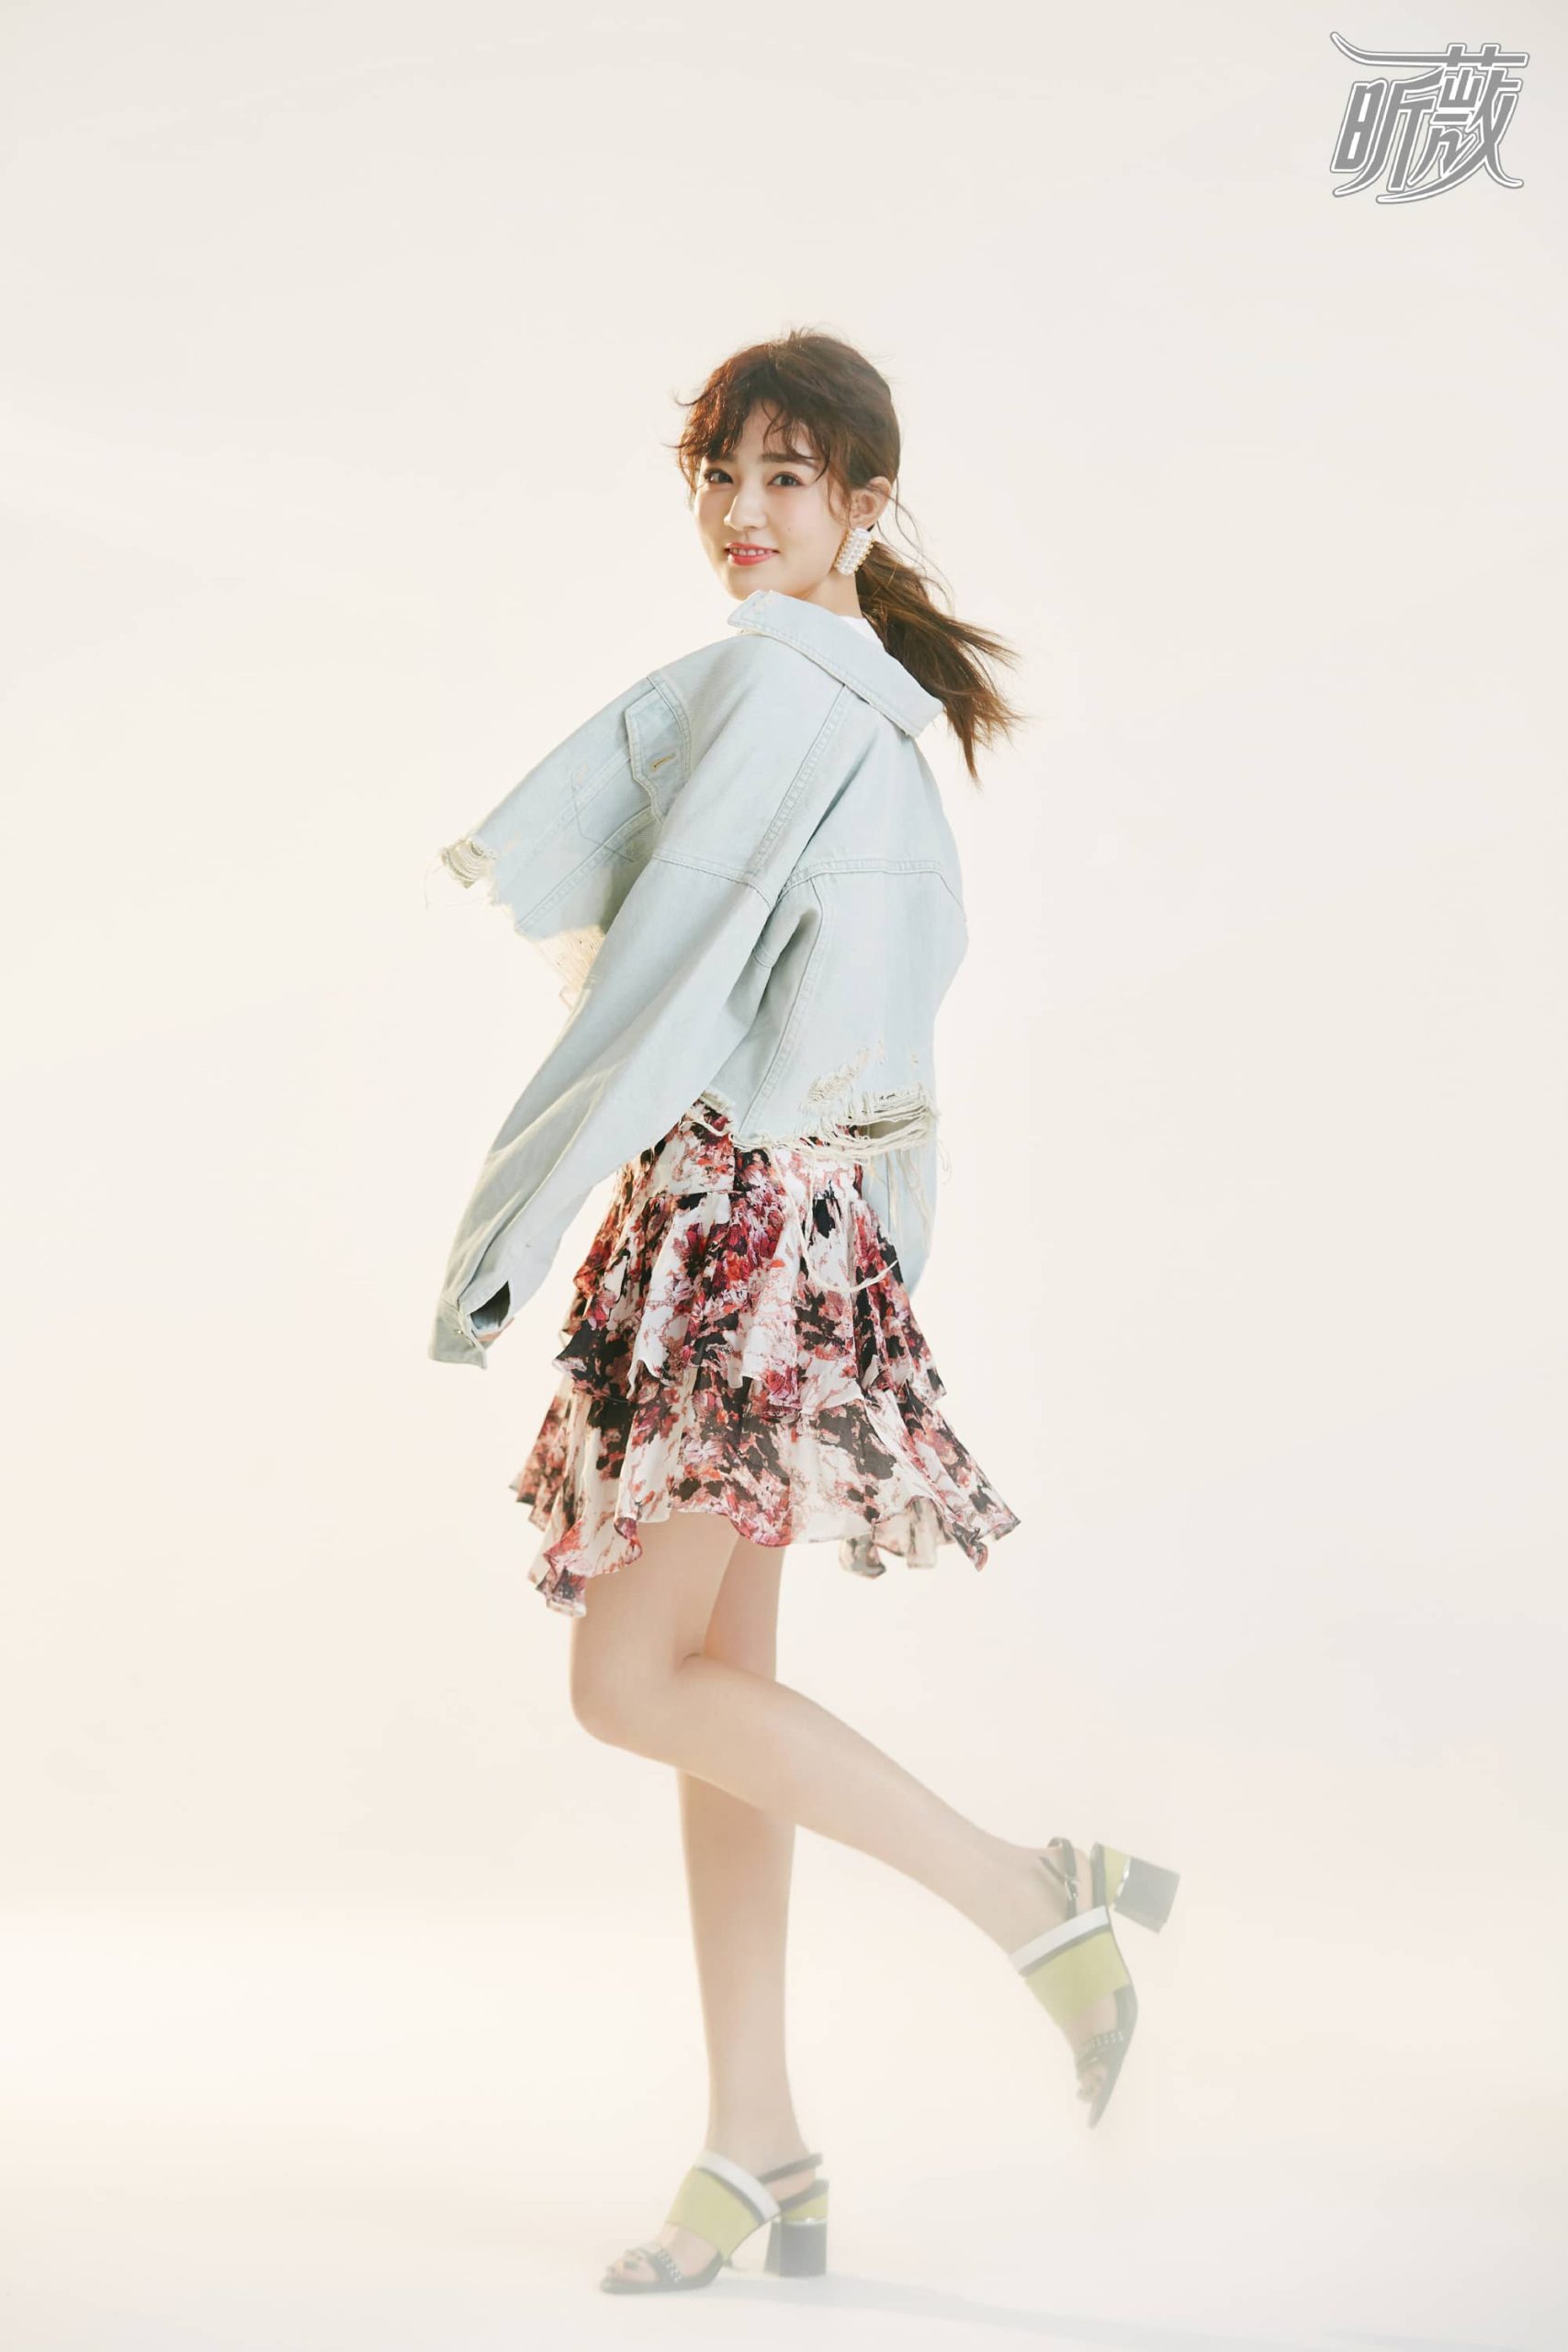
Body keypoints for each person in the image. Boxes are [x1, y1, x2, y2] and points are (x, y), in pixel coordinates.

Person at [428, 330, 1179, 2295]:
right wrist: (863, 1268)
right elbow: (888, 1052)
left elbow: (652, 987)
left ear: (863, 503)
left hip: (729, 1238)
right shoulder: (877, 712)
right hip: (790, 1236)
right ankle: (755, 2137)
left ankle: (1034, 1901)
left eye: (785, 478)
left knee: (627, 1681)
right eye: (720, 475)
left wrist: (506, 1221)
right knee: (713, 1701)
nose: (741, 514)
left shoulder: (781, 688)